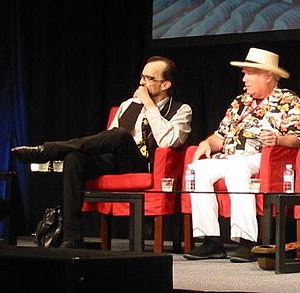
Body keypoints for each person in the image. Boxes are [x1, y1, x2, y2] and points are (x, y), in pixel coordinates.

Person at [11, 56, 192, 249]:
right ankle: (72, 238)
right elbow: (107, 141)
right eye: (141, 77)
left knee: (121, 135)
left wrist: (149, 105)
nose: (141, 83)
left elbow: (169, 141)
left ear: (165, 84)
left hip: (145, 167)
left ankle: (50, 150)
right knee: (74, 158)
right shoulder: (128, 105)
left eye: (148, 78)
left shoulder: (181, 110)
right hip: (115, 163)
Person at [183, 47, 300, 263]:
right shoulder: (240, 102)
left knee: (237, 168)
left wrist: (278, 139)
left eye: (249, 73)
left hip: (263, 158)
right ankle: (211, 240)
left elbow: (299, 137)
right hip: (231, 156)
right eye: (244, 73)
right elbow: (219, 137)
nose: (244, 78)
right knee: (196, 169)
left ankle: (248, 241)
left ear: (268, 76)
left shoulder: (287, 99)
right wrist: (206, 143)